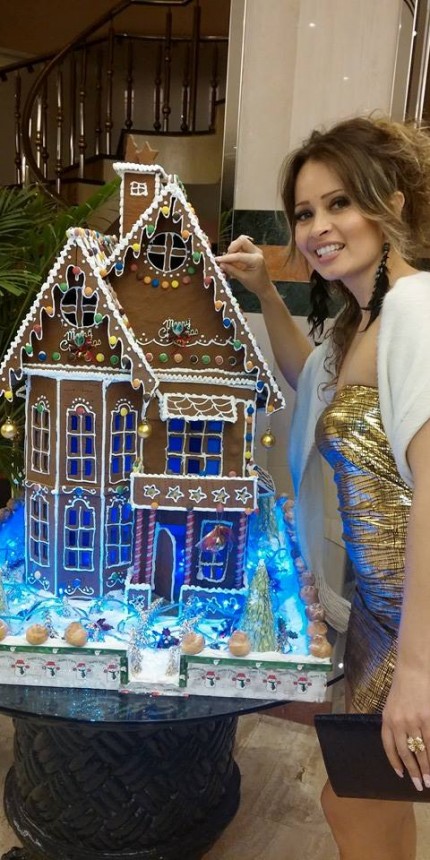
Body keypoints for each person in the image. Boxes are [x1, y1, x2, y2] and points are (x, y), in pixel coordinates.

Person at [216, 115, 430, 860]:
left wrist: (419, 670)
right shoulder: (362, 320)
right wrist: (264, 291)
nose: (318, 227)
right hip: (379, 612)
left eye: (340, 202)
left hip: (414, 621)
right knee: (380, 793)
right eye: (305, 212)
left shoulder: (416, 309)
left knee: (353, 798)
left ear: (392, 204)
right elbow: (309, 379)